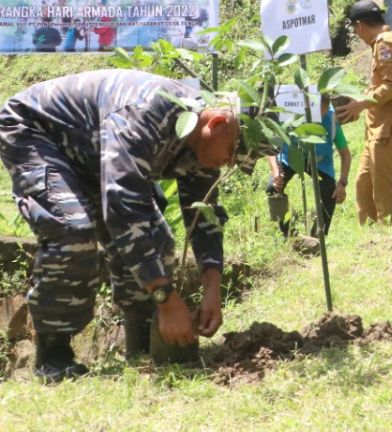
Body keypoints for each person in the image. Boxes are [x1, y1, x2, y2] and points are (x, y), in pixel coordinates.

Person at [0, 70, 247, 382]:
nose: (228, 164)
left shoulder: (202, 143)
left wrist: (212, 289)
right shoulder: (147, 113)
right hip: (36, 131)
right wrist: (167, 301)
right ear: (217, 123)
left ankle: (141, 346)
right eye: (231, 154)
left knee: (156, 237)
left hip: (93, 152)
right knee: (73, 229)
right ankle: (54, 355)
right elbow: (122, 209)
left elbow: (204, 216)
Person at [335, 0, 392, 225]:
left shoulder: (384, 44)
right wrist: (359, 99)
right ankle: (371, 237)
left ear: (360, 25)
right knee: (363, 185)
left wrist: (362, 104)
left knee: (383, 194)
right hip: (378, 131)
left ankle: (389, 240)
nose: (357, 34)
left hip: (389, 132)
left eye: (354, 29)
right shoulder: (385, 42)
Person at [266, 95, 351, 237]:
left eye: (322, 113)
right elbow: (272, 149)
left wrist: (342, 183)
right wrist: (276, 173)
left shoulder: (331, 119)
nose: (318, 117)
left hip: (320, 163)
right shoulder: (290, 113)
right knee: (272, 188)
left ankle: (319, 235)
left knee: (330, 191)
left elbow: (345, 154)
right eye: (316, 113)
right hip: (290, 157)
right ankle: (288, 234)